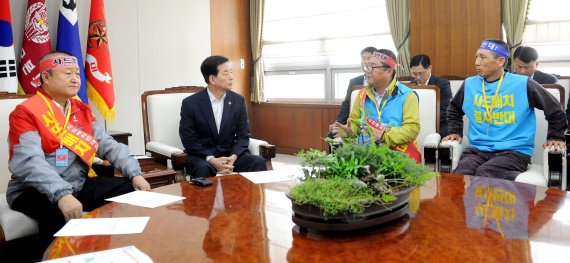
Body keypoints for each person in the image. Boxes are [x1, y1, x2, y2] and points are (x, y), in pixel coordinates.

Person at [6, 52, 150, 249]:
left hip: (78, 184)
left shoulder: (80, 109)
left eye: (77, 74)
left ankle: (111, 248)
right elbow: (29, 162)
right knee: (58, 212)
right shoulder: (26, 112)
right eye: (67, 73)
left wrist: (135, 173)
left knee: (130, 189)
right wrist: (62, 195)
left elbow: (107, 144)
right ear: (46, 77)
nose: (75, 79)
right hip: (33, 190)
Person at [443, 39, 567, 181]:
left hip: (514, 152)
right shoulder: (470, 84)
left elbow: (555, 109)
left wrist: (555, 136)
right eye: (476, 57)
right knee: (460, 176)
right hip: (477, 150)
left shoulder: (523, 83)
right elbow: (454, 109)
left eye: (483, 57)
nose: (477, 62)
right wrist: (454, 131)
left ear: (501, 61)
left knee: (486, 172)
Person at [179, 55, 266, 178]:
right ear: (212, 79)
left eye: (231, 72)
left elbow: (243, 134)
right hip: (204, 157)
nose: (231, 77)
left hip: (231, 156)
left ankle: (253, 198)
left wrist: (233, 157)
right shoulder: (190, 103)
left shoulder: (238, 101)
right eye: (226, 73)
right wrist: (212, 159)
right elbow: (189, 139)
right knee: (203, 168)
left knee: (258, 162)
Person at [332, 49, 421, 163]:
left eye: (372, 67)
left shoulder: (407, 96)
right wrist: (349, 130)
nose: (367, 71)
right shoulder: (362, 95)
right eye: (366, 66)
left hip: (397, 158)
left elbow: (412, 129)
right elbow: (355, 123)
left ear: (388, 71)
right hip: (366, 157)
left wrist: (384, 135)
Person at [327, 46, 376, 140]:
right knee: (332, 134)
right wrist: (338, 123)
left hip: (373, 124)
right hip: (354, 121)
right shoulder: (354, 82)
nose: (365, 61)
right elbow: (346, 104)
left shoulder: (381, 82)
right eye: (363, 58)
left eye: (369, 58)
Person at [409, 54, 453, 137]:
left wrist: (425, 119)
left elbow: (445, 110)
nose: (417, 77)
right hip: (414, 125)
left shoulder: (442, 84)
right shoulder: (410, 87)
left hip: (438, 125)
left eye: (421, 73)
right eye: (414, 74)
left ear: (429, 68)